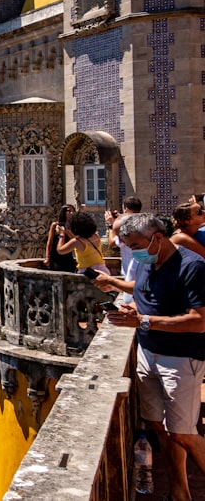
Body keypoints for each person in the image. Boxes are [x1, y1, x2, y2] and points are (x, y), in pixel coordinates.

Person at [104, 213, 205, 501]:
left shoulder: (192, 267)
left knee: (183, 433)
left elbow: (199, 321)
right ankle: (179, 492)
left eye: (136, 245)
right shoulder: (146, 264)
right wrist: (130, 311)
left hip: (181, 359)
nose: (133, 252)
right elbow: (142, 297)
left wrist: (143, 322)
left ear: (157, 238)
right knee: (161, 429)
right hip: (148, 354)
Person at [56, 210, 109, 274]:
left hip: (89, 273)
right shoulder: (96, 236)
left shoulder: (76, 242)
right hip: (103, 271)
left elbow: (60, 250)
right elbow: (79, 240)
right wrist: (66, 231)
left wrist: (61, 235)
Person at [44, 205, 77, 271]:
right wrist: (47, 257)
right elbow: (49, 242)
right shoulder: (55, 225)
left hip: (68, 255)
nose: (71, 213)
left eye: (73, 211)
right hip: (55, 256)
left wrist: (65, 231)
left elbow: (74, 239)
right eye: (69, 211)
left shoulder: (73, 226)